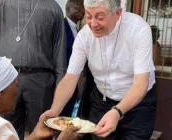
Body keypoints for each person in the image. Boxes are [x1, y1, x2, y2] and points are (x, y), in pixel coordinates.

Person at [41, 0, 157, 140]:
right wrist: (55, 110)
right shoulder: (84, 36)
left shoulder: (138, 29)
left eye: (100, 17)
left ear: (118, 13)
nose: (93, 24)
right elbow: (70, 78)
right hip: (102, 100)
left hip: (138, 103)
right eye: (88, 16)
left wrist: (117, 112)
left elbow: (141, 83)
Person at [0, 0, 67, 138]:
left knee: (43, 131)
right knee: (5, 130)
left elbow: (60, 52)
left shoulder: (53, 7)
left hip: (41, 81)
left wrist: (60, 89)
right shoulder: (2, 4)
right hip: (6, 79)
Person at [61, 0, 85, 117]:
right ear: (68, 9)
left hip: (77, 80)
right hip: (64, 78)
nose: (82, 11)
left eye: (83, 8)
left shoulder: (79, 30)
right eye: (78, 8)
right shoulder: (61, 27)